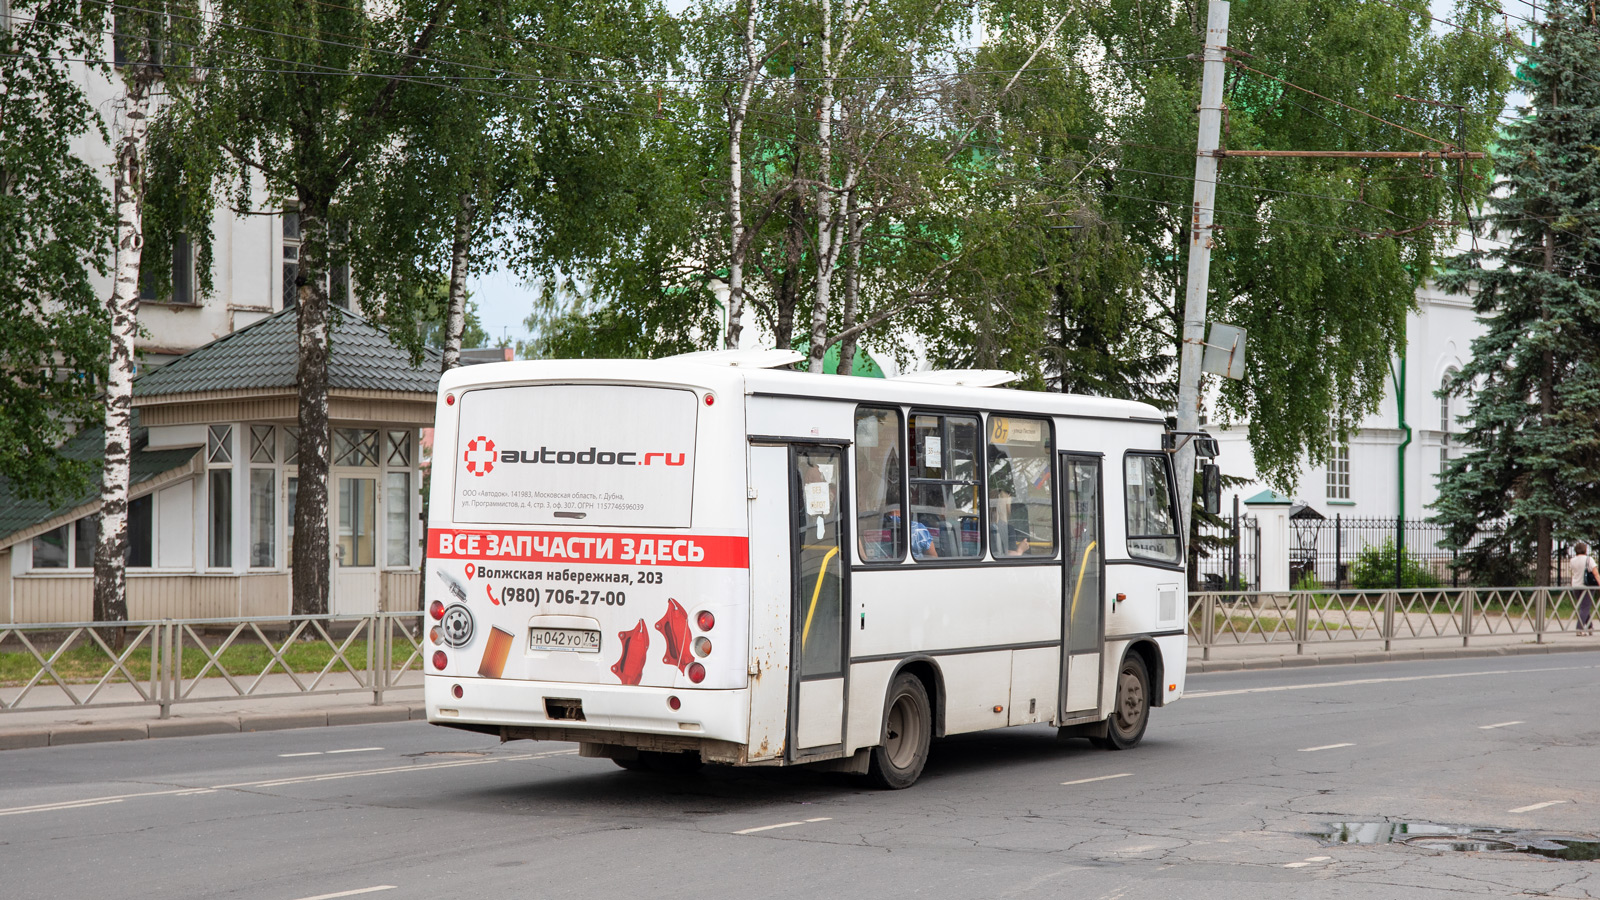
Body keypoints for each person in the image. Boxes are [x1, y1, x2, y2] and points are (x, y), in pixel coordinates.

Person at [1573, 542, 1598, 636]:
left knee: (1583, 607)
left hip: (1575, 586)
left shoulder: (1572, 560)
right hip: (1587, 587)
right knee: (1585, 607)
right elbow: (1596, 573)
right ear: (1585, 549)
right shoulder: (1589, 559)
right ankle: (1579, 629)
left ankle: (1590, 626)